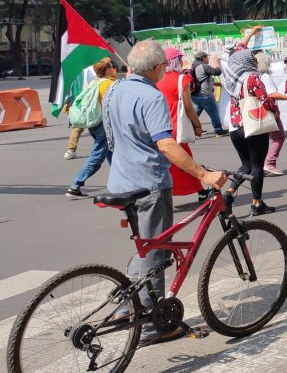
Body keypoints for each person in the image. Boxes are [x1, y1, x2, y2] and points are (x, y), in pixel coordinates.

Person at [103, 41, 226, 346]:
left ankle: (128, 302)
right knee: (156, 255)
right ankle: (149, 325)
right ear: (158, 68)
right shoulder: (151, 95)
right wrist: (203, 174)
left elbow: (109, 136)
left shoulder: (114, 90)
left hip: (120, 181)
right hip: (149, 182)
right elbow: (166, 144)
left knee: (146, 246)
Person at [223, 45, 287, 216]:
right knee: (257, 166)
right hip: (253, 127)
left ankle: (230, 193)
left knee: (245, 164)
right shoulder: (253, 78)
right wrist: (275, 113)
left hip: (235, 128)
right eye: (252, 58)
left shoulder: (231, 80)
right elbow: (266, 99)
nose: (255, 61)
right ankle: (256, 203)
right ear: (246, 61)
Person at [65, 58, 119, 198]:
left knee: (111, 154)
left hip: (94, 124)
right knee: (97, 156)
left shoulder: (94, 82)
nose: (113, 68)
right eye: (111, 66)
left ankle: (122, 184)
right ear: (107, 69)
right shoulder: (108, 84)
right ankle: (75, 185)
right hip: (104, 124)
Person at [159, 48, 205, 199]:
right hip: (175, 126)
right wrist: (197, 125)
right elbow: (188, 106)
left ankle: (169, 192)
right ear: (175, 61)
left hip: (158, 125)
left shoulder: (156, 80)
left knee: (166, 163)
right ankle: (200, 191)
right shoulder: (181, 79)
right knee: (186, 160)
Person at [254, 53, 287, 176]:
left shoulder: (250, 76)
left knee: (258, 141)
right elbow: (272, 94)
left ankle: (257, 166)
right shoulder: (264, 77)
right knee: (278, 137)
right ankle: (270, 163)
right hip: (268, 111)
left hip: (253, 113)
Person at [189, 51, 228, 136]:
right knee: (214, 112)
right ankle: (218, 130)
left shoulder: (193, 66)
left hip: (195, 96)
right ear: (203, 58)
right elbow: (217, 72)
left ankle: (190, 128)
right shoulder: (203, 66)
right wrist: (217, 62)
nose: (208, 59)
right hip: (205, 95)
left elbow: (199, 79)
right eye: (207, 57)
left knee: (195, 114)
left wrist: (213, 83)